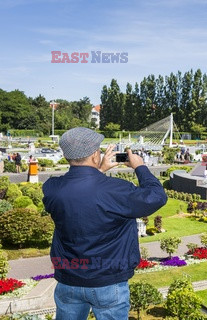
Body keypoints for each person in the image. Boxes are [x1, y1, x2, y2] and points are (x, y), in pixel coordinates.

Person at [42, 127, 167, 320]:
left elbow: (81, 194)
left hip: (69, 281)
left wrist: (98, 170)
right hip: (108, 283)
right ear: (94, 155)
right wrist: (139, 166)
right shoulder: (117, 190)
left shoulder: (52, 189)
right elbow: (157, 196)